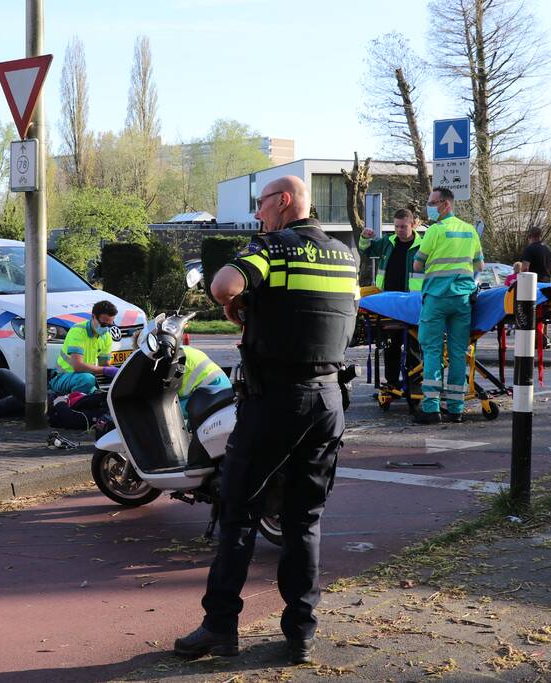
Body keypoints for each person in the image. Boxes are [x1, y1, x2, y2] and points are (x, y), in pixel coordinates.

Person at [173, 176, 358, 665]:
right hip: (328, 402)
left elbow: (222, 285)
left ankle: (220, 627)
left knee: (238, 512)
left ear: (284, 201)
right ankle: (300, 634)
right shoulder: (345, 256)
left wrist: (234, 304)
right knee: (304, 519)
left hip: (275, 399)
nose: (258, 214)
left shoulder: (274, 248)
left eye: (262, 205)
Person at [411, 187, 484, 425]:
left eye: (433, 203)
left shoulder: (435, 231)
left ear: (446, 204)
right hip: (462, 300)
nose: (429, 207)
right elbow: (480, 266)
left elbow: (417, 266)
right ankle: (456, 409)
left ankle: (431, 408)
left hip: (436, 298)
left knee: (432, 351)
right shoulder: (470, 230)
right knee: (457, 353)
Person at [358, 208, 424, 390]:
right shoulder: (388, 242)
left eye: (403, 226)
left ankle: (414, 383)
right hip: (389, 304)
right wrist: (364, 237)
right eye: (396, 226)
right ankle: (392, 383)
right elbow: (366, 250)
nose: (399, 230)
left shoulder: (423, 245)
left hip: (412, 305)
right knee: (391, 345)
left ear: (413, 225)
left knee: (413, 346)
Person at [48, 300, 119, 395]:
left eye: (110, 325)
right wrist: (105, 370)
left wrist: (121, 373)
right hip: (62, 377)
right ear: (93, 317)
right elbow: (78, 366)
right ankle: (69, 401)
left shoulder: (106, 337)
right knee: (88, 380)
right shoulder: (78, 331)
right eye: (104, 324)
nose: (106, 328)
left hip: (83, 379)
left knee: (99, 395)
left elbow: (104, 364)